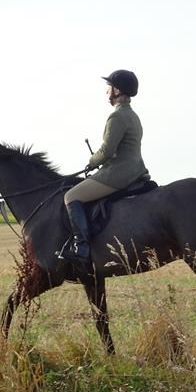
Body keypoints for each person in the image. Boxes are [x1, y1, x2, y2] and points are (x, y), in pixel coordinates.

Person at [60, 70, 150, 263]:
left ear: (117, 90)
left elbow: (107, 151)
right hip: (136, 170)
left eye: (109, 86)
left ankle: (81, 248)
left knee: (70, 196)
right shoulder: (132, 115)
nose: (106, 91)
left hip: (118, 174)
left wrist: (92, 161)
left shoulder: (117, 116)